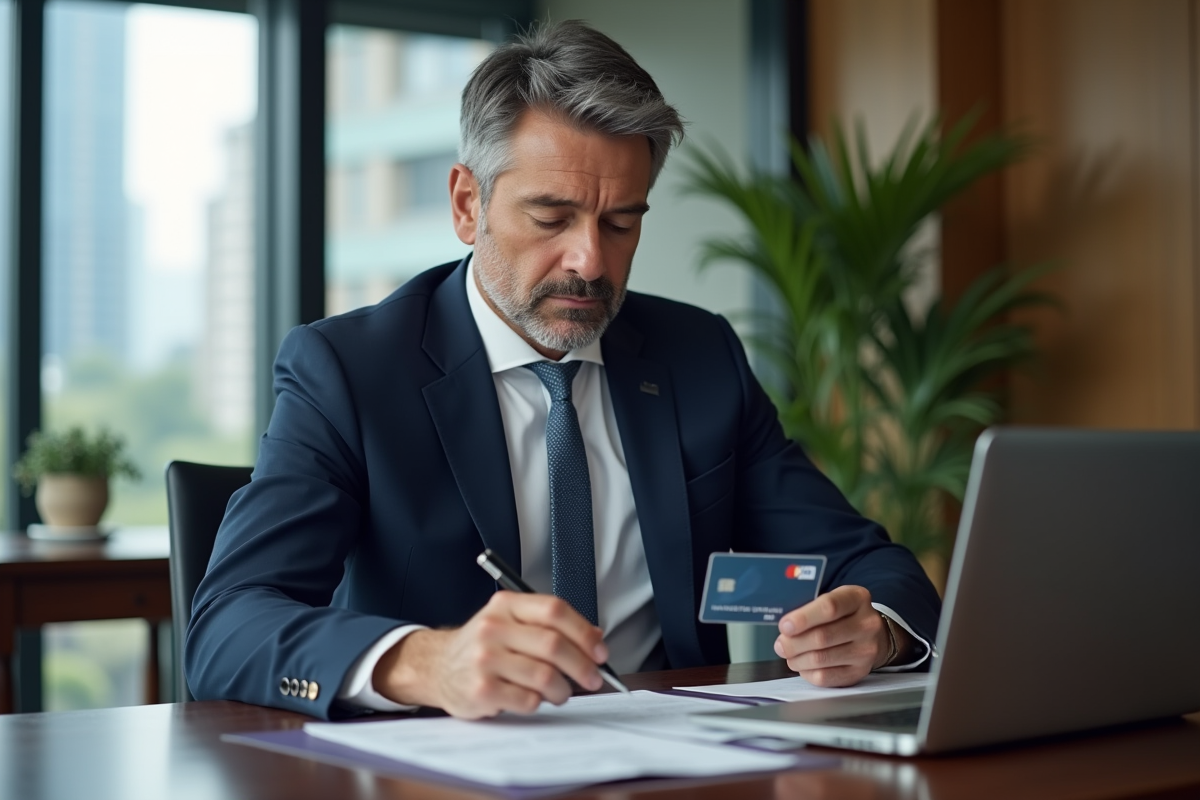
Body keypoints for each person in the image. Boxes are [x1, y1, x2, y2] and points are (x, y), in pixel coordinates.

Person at [185, 19, 941, 721]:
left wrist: (876, 630)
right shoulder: (350, 371)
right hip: (442, 770)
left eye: (621, 223)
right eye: (551, 218)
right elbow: (227, 627)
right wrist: (427, 663)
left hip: (679, 759)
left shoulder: (698, 357)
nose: (590, 261)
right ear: (467, 204)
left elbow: (871, 564)